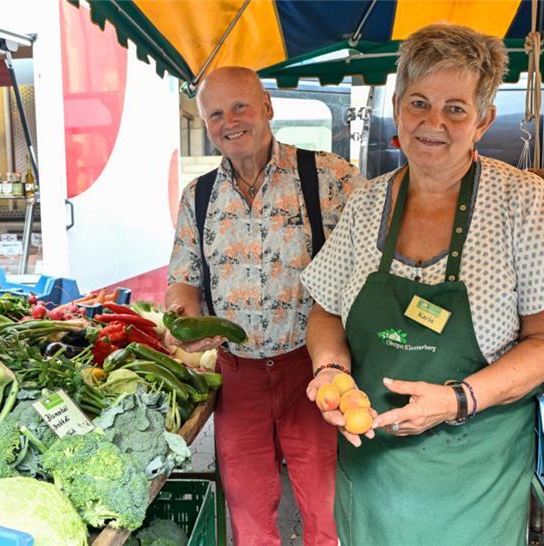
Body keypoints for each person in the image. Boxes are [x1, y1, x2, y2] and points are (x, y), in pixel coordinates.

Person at [301, 24, 544, 545]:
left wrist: (457, 399)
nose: (433, 122)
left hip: (473, 474)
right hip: (372, 465)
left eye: (455, 108)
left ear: (483, 120)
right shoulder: (366, 204)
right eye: (419, 102)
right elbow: (325, 309)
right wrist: (328, 369)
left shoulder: (524, 203)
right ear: (397, 105)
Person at [165, 66, 364, 546]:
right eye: (215, 114)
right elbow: (183, 283)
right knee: (249, 516)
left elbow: (372, 268)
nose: (229, 121)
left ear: (268, 108)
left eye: (240, 107)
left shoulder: (331, 178)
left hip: (314, 372)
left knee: (325, 510)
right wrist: (185, 321)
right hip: (239, 378)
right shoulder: (200, 196)